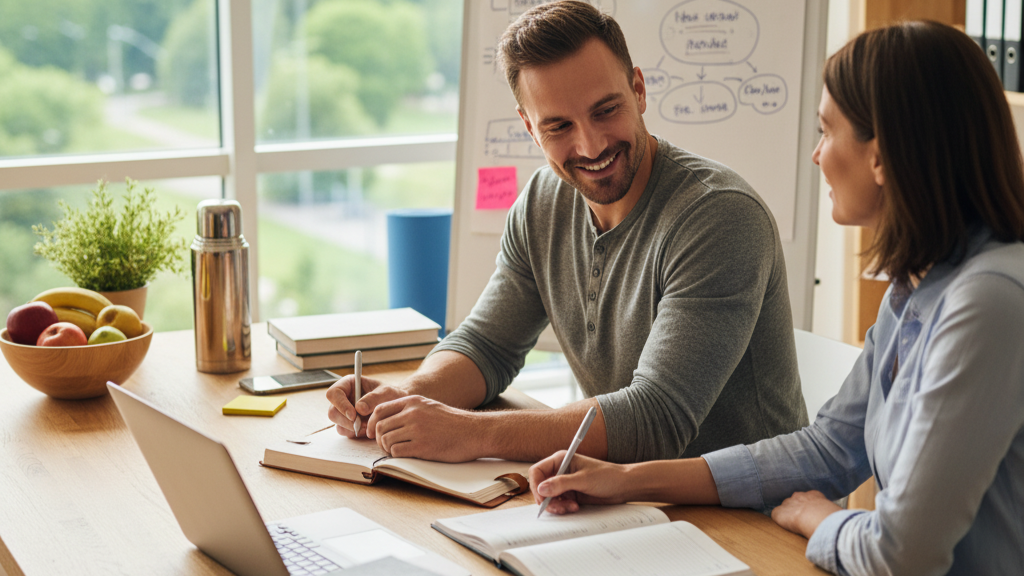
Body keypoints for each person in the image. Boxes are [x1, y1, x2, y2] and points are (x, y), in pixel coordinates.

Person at [527, 20, 1024, 576]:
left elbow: (901, 554)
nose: (816, 155)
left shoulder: (988, 303)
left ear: (880, 156)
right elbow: (831, 448)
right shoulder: (919, 284)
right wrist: (625, 481)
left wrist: (819, 519)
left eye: (825, 131)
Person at [325, 0, 807, 464]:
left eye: (605, 110)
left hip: (752, 515)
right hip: (627, 494)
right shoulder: (543, 202)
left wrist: (468, 433)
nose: (591, 144)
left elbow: (656, 419)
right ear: (530, 129)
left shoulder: (718, 216)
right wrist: (406, 396)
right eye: (558, 126)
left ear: (638, 90)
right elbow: (487, 347)